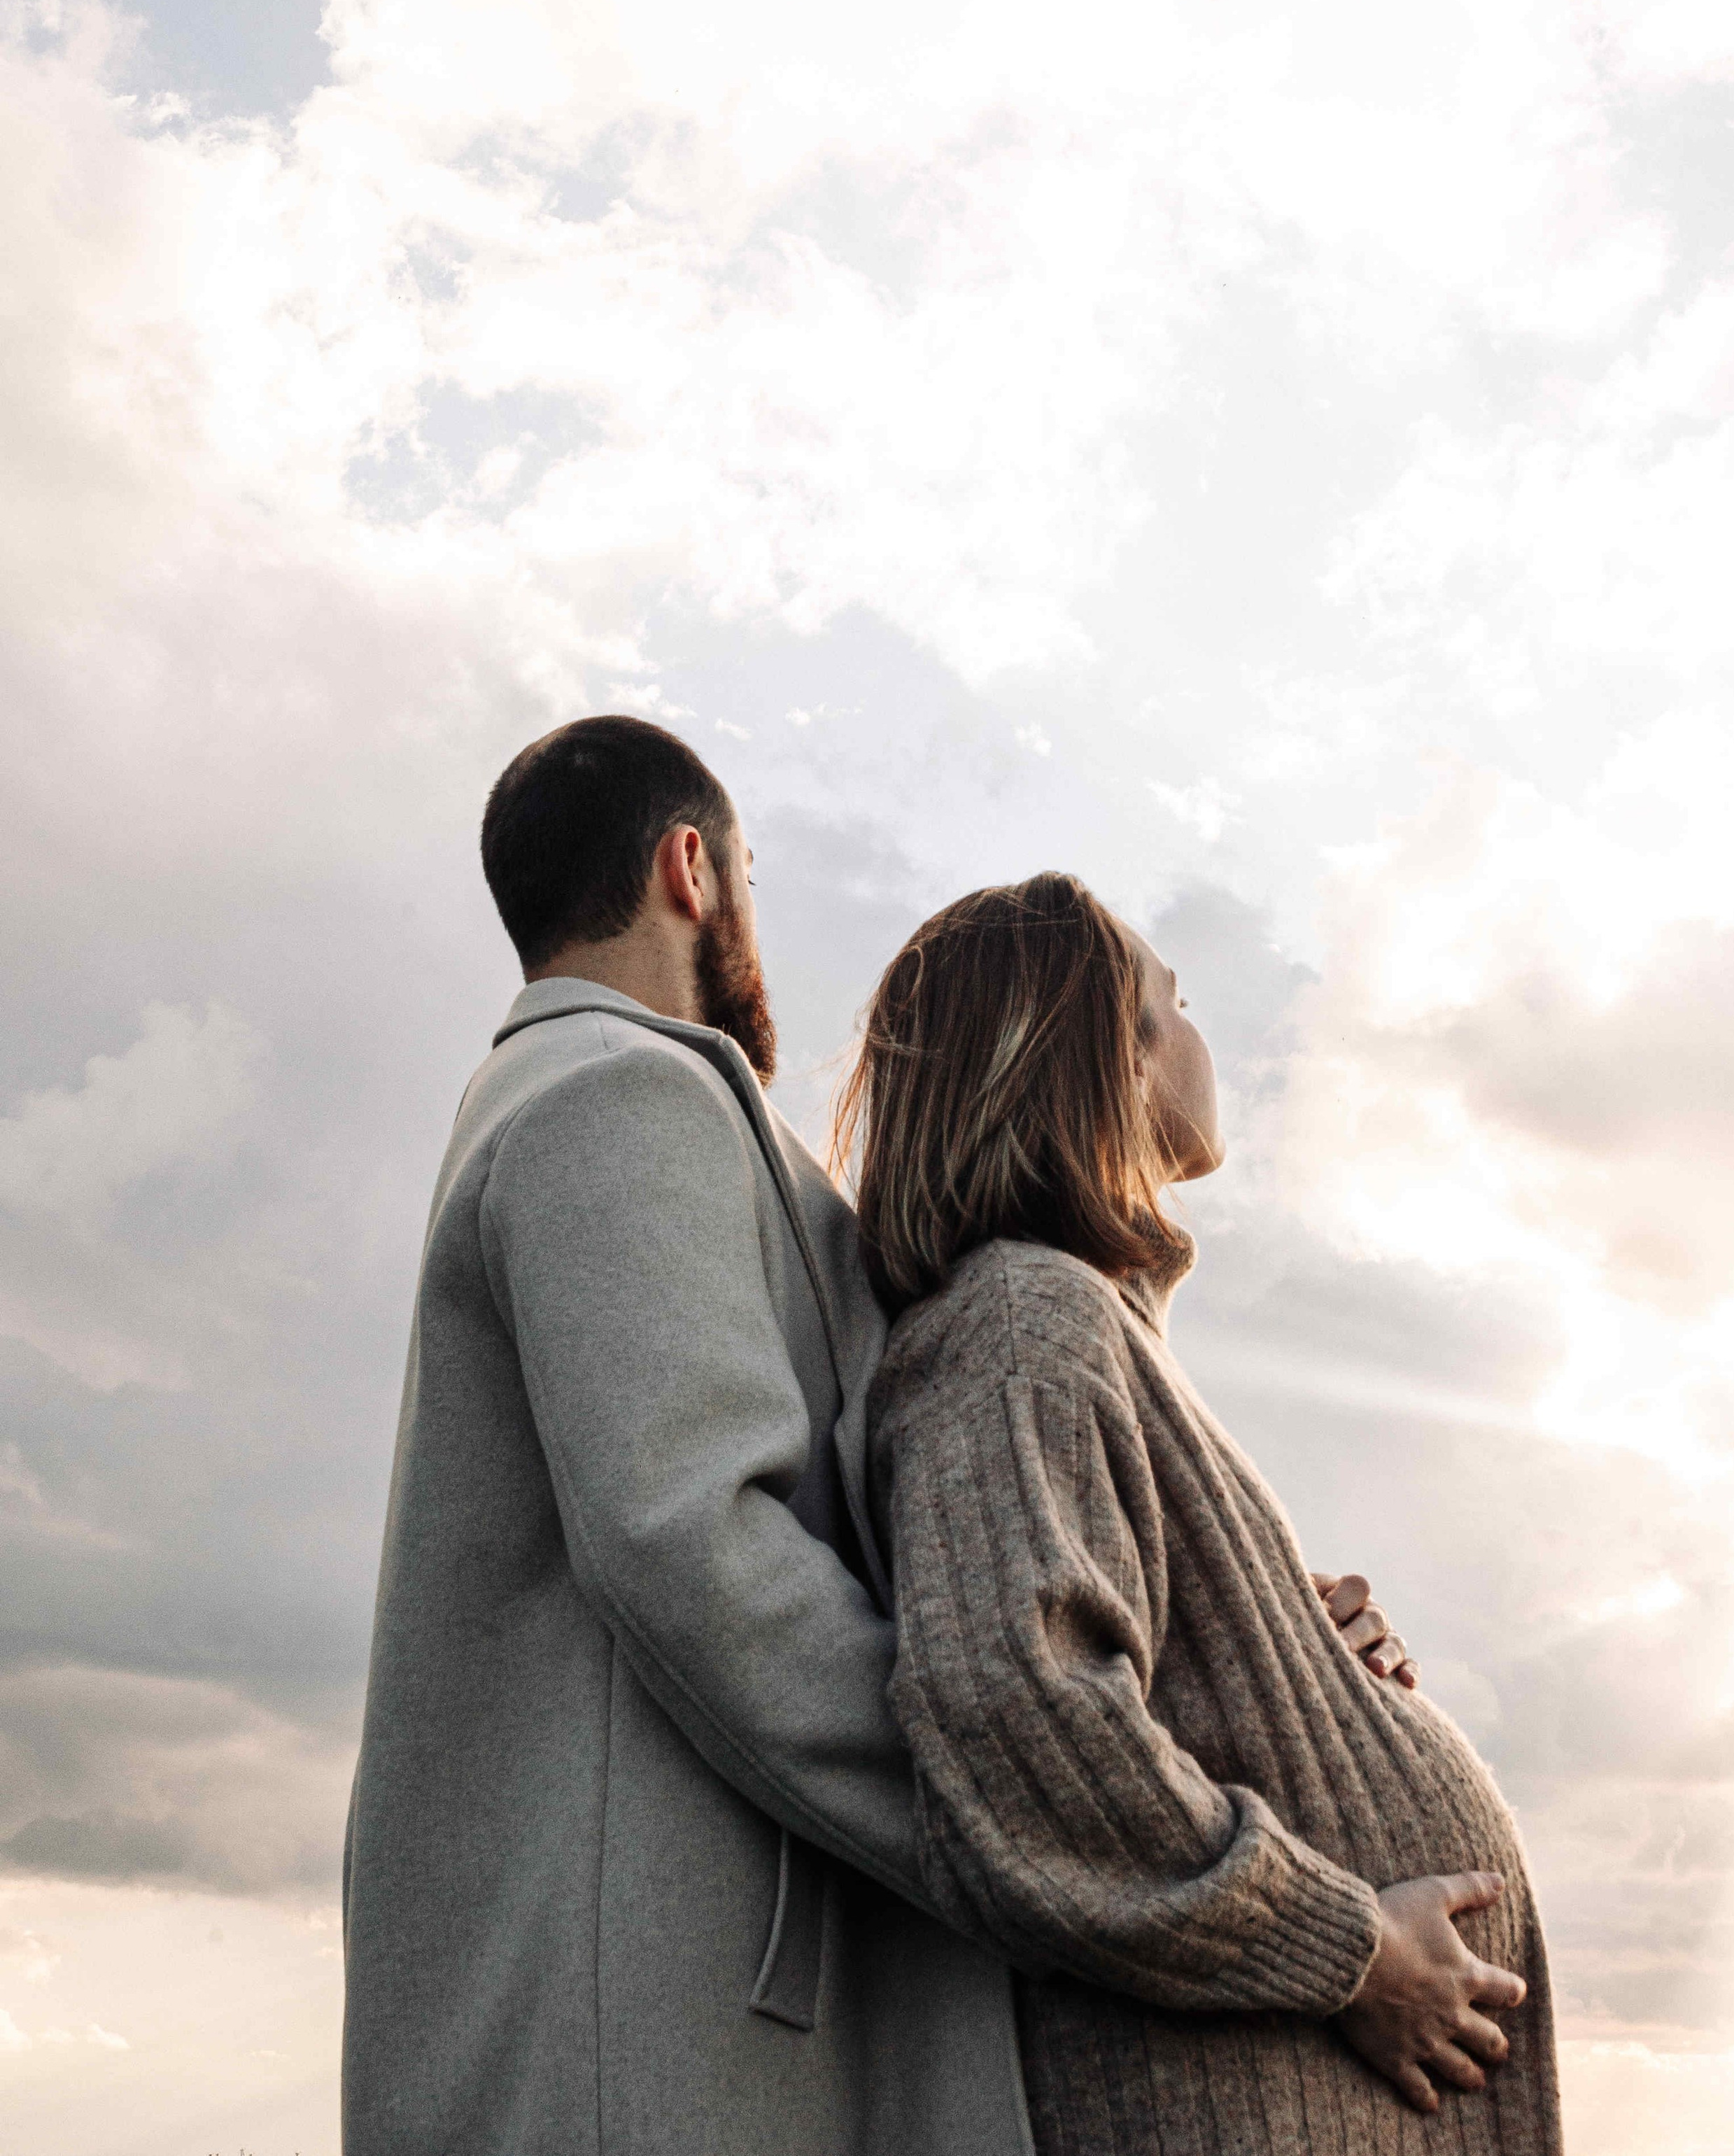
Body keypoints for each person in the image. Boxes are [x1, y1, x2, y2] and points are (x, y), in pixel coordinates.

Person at [341, 720, 1423, 2156]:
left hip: (720, 2014)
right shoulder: (616, 1097)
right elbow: (696, 1546)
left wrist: (1252, 1658)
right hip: (659, 2041)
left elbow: (933, 1550)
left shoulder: (658, 1126)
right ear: (692, 870)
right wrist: (1025, 1814)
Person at [845, 872, 1561, 2156]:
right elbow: (1026, 1724)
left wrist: (1293, 1652)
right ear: (1103, 1057)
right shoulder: (1025, 1326)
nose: (1200, 1032)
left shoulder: (1088, 1334)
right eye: (1175, 1004)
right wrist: (1354, 1952)